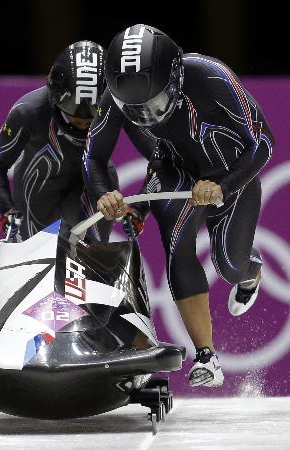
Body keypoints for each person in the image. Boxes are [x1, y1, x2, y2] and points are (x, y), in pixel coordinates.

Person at [83, 25, 275, 387]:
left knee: (230, 266)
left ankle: (251, 270)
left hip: (233, 176)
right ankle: (206, 356)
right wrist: (104, 193)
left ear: (175, 75)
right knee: (176, 240)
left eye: (155, 104)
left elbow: (263, 142)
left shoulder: (210, 75)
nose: (148, 117)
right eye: (135, 110)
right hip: (176, 173)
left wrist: (223, 185)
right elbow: (94, 158)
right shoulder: (115, 97)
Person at [0, 40, 154, 243]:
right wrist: (7, 209)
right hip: (38, 189)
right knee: (39, 256)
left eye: (91, 120)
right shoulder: (28, 111)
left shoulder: (119, 106)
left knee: (94, 257)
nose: (82, 126)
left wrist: (140, 210)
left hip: (94, 185)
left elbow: (162, 159)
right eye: (75, 118)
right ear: (55, 100)